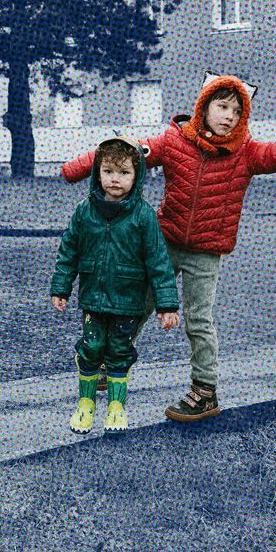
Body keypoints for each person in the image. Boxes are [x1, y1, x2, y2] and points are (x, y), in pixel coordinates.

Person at [62, 75, 276, 422]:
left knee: (198, 320)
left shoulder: (246, 152)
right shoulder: (174, 141)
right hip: (164, 243)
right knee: (137, 304)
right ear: (204, 107)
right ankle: (111, 365)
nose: (229, 115)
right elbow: (128, 151)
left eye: (236, 110)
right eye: (222, 106)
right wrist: (77, 168)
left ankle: (204, 391)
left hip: (206, 252)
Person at [51, 137, 180, 434]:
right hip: (93, 298)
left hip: (128, 299)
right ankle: (85, 404)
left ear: (137, 176)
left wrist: (167, 305)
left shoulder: (144, 215)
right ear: (98, 172)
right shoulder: (85, 211)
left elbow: (158, 261)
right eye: (108, 171)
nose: (115, 179)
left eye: (124, 173)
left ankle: (116, 406)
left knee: (120, 351)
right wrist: (61, 287)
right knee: (92, 347)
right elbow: (68, 250)